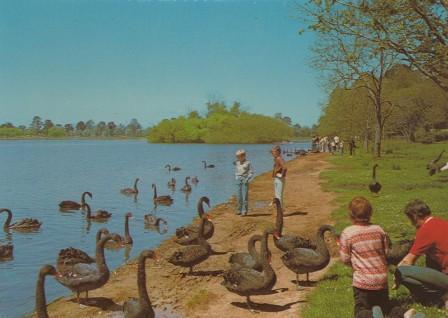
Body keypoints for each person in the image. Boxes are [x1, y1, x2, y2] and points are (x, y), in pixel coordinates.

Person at [339, 197, 421, 318]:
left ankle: (373, 316)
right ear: (370, 213)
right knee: (386, 308)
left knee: (361, 311)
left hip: (362, 283)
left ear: (350, 214)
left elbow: (345, 258)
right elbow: (387, 252)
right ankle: (404, 313)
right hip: (381, 279)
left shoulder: (348, 233)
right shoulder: (379, 230)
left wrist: (354, 263)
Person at [396, 200, 448, 309]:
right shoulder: (441, 223)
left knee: (402, 272)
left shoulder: (426, 229)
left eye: (410, 219)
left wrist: (396, 276)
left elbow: (408, 261)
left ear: (414, 217)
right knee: (430, 257)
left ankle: (434, 297)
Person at [234, 149, 253, 216]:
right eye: (237, 156)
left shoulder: (248, 163)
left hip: (245, 179)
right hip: (238, 179)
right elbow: (236, 169)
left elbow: (251, 172)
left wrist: (247, 179)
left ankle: (244, 211)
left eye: (239, 156)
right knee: (239, 195)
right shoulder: (237, 162)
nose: (238, 158)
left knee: (245, 196)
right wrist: (236, 176)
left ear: (243, 156)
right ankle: (239, 210)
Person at [271, 145, 287, 209]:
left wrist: (281, 175)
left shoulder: (279, 158)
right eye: (272, 152)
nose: (272, 154)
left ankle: (280, 211)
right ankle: (279, 210)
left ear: (278, 152)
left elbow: (285, 168)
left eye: (273, 152)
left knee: (279, 195)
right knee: (277, 195)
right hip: (277, 178)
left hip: (279, 179)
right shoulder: (276, 158)